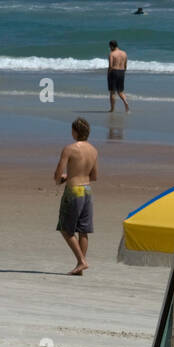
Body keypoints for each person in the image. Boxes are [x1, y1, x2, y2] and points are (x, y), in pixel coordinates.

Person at [54, 117, 98, 275]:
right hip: (87, 190)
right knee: (83, 230)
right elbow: (94, 176)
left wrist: (61, 179)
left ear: (75, 132)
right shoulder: (93, 150)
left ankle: (81, 261)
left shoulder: (70, 149)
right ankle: (80, 266)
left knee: (66, 229)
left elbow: (58, 172)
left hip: (74, 191)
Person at [107, 40, 130, 113]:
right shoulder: (124, 53)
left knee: (112, 92)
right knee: (120, 91)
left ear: (111, 46)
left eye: (110, 47)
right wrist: (123, 71)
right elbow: (125, 65)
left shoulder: (112, 54)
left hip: (114, 72)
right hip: (122, 72)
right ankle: (126, 102)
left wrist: (108, 73)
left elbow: (110, 66)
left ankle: (112, 109)